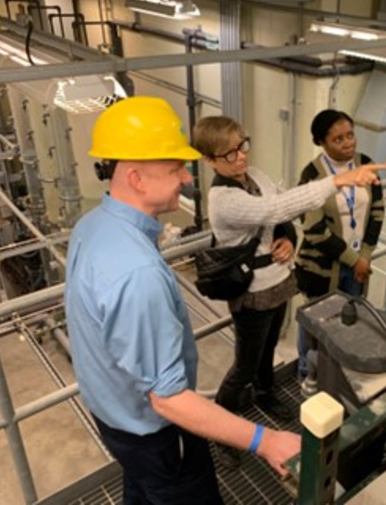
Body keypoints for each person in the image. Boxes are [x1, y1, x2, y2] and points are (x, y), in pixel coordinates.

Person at [65, 96, 302, 505]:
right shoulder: (137, 273)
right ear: (136, 178)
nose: (187, 178)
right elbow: (169, 399)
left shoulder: (91, 226)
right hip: (155, 434)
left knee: (142, 491)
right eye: (175, 167)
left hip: (114, 417)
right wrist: (265, 441)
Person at [193, 115, 386, 469]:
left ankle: (265, 395)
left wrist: (287, 238)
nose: (240, 157)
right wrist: (338, 180)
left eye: (242, 146)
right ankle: (223, 431)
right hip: (251, 291)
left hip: (278, 281)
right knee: (244, 366)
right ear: (209, 161)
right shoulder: (223, 199)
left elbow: (281, 217)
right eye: (229, 154)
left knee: (268, 348)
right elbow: (273, 208)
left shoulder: (255, 176)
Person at [295, 109, 385, 379]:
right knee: (316, 323)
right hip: (322, 268)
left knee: (350, 317)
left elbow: (377, 212)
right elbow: (314, 230)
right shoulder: (312, 174)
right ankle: (306, 373)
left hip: (359, 263)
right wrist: (354, 260)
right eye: (338, 139)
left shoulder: (365, 164)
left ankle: (339, 373)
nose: (348, 143)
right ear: (321, 142)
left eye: (350, 135)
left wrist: (365, 256)